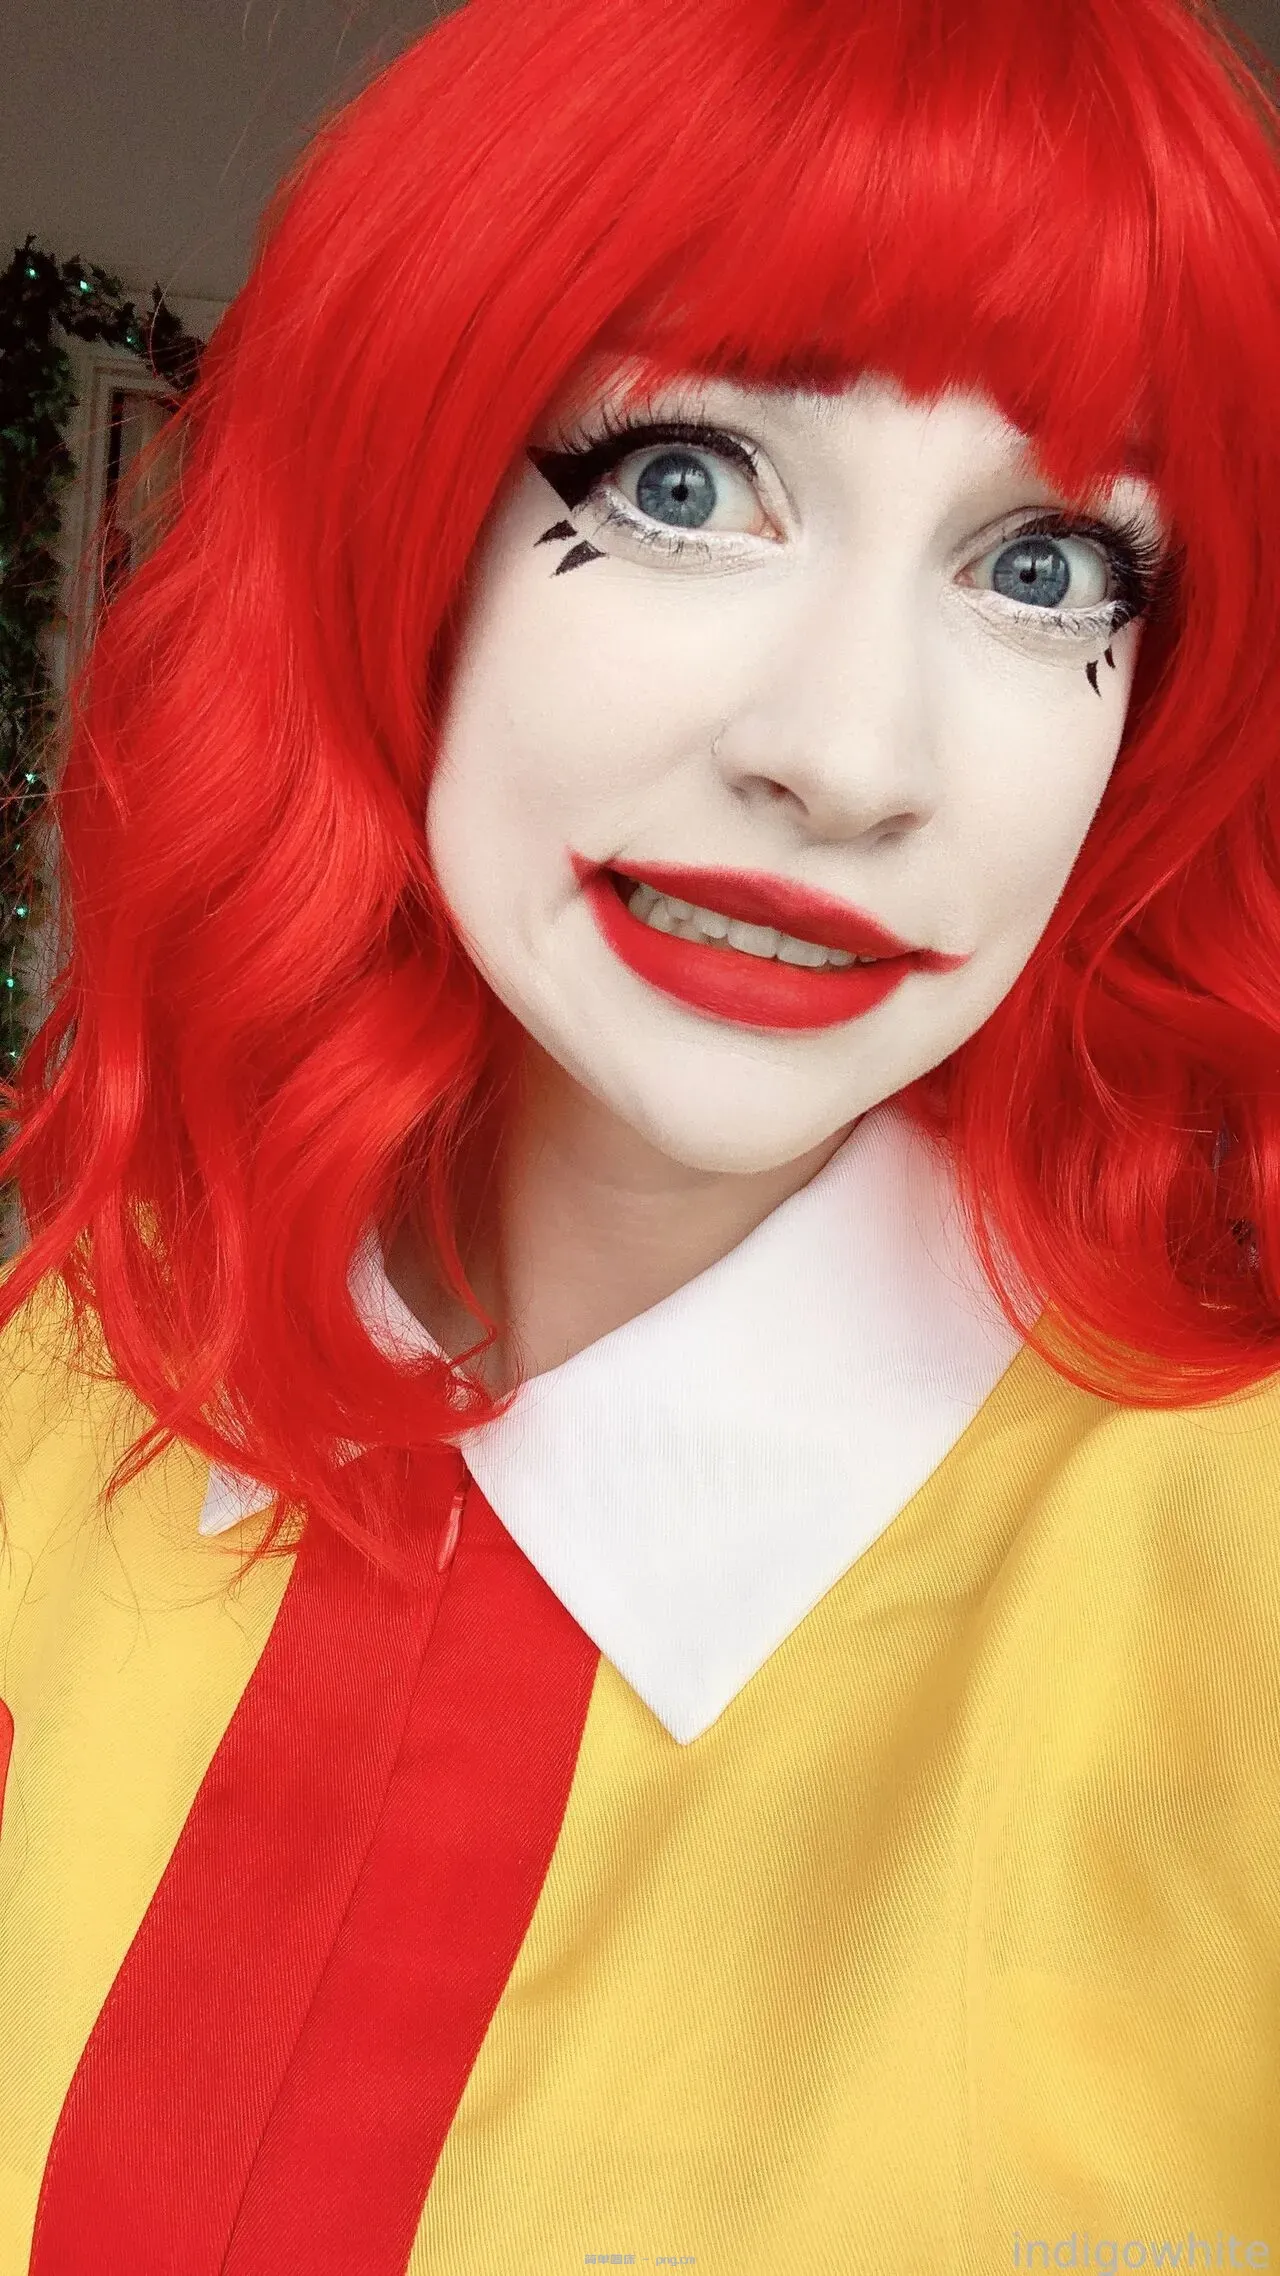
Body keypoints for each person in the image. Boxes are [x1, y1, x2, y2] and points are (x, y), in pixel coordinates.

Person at [2, 0, 1279, 2267]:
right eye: (685, 482)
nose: (852, 759)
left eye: (1049, 568)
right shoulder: (66, 1353)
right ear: (400, 521)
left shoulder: (1222, 1603)